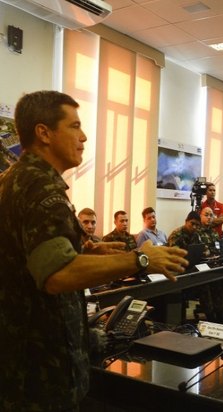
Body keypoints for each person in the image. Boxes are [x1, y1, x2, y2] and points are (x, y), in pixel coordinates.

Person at [0, 90, 188, 411]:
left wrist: (90, 251)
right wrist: (140, 259)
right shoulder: (40, 187)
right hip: (38, 372)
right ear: (44, 133)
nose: (84, 136)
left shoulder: (17, 179)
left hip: (20, 362)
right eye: (74, 126)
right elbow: (57, 275)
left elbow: (32, 254)